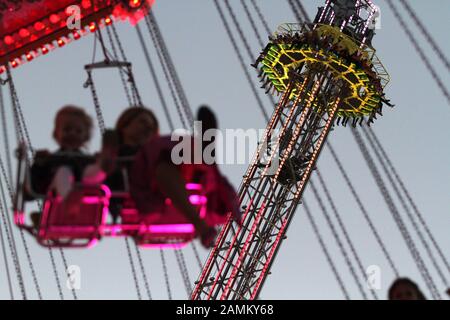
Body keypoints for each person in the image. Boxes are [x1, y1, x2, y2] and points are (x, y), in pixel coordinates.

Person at [104, 106, 239, 248]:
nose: (147, 128)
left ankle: (200, 156)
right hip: (141, 186)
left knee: (169, 156)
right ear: (125, 126)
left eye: (151, 127)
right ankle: (200, 155)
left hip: (172, 178)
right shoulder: (116, 155)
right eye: (142, 122)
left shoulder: (156, 150)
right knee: (162, 160)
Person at [29, 105, 105, 226]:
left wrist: (98, 161)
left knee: (92, 172)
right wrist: (38, 164)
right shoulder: (51, 160)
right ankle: (69, 200)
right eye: (67, 130)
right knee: (63, 171)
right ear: (56, 134)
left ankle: (103, 166)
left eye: (78, 131)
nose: (72, 134)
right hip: (58, 202)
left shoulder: (87, 160)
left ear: (85, 137)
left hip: (87, 201)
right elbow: (34, 188)